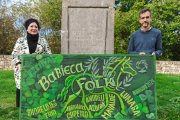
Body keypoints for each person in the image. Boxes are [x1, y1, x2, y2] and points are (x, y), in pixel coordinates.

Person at [11, 18, 51, 107]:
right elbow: (14, 53)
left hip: (38, 68)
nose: (34, 28)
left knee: (37, 85)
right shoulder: (20, 40)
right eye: (31, 26)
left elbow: (48, 54)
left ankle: (35, 105)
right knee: (21, 85)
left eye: (36, 26)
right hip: (22, 68)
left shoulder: (43, 40)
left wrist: (41, 60)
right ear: (27, 28)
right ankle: (21, 106)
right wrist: (18, 63)